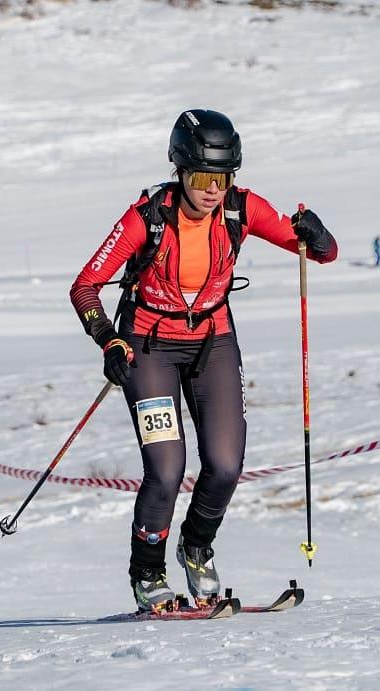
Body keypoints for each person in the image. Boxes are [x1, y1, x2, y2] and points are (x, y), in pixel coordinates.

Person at [69, 109, 339, 612]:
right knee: (167, 469)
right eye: (202, 178)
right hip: (148, 348)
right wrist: (107, 338)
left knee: (225, 463)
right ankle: (147, 572)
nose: (214, 190)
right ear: (180, 172)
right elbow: (85, 285)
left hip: (213, 342)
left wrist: (318, 236)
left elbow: (316, 250)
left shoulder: (242, 210)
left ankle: (196, 545)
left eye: (223, 177)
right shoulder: (145, 218)